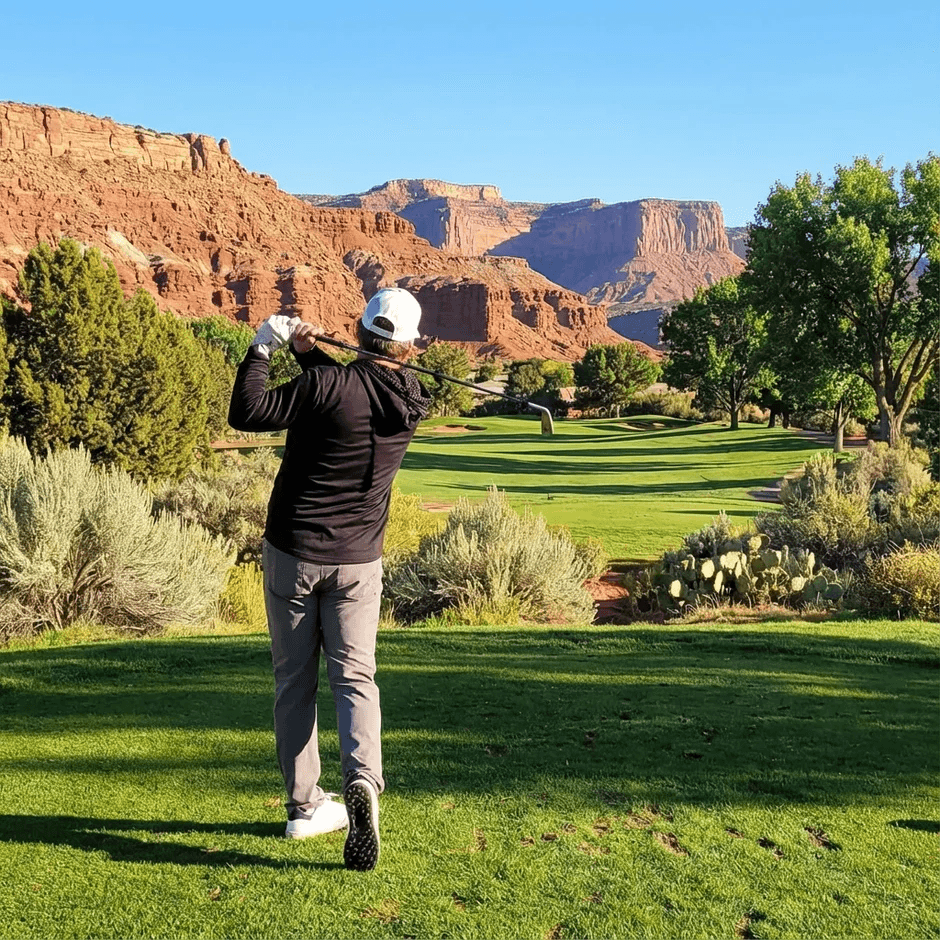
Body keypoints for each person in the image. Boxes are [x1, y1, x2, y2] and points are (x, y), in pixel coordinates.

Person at [227, 288, 431, 871]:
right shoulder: (411, 403)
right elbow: (355, 392)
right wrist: (309, 353)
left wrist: (265, 348)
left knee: (295, 681)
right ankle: (364, 782)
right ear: (411, 346)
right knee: (355, 677)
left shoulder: (327, 386)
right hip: (359, 563)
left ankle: (304, 807)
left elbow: (248, 411)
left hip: (293, 555)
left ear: (362, 331)